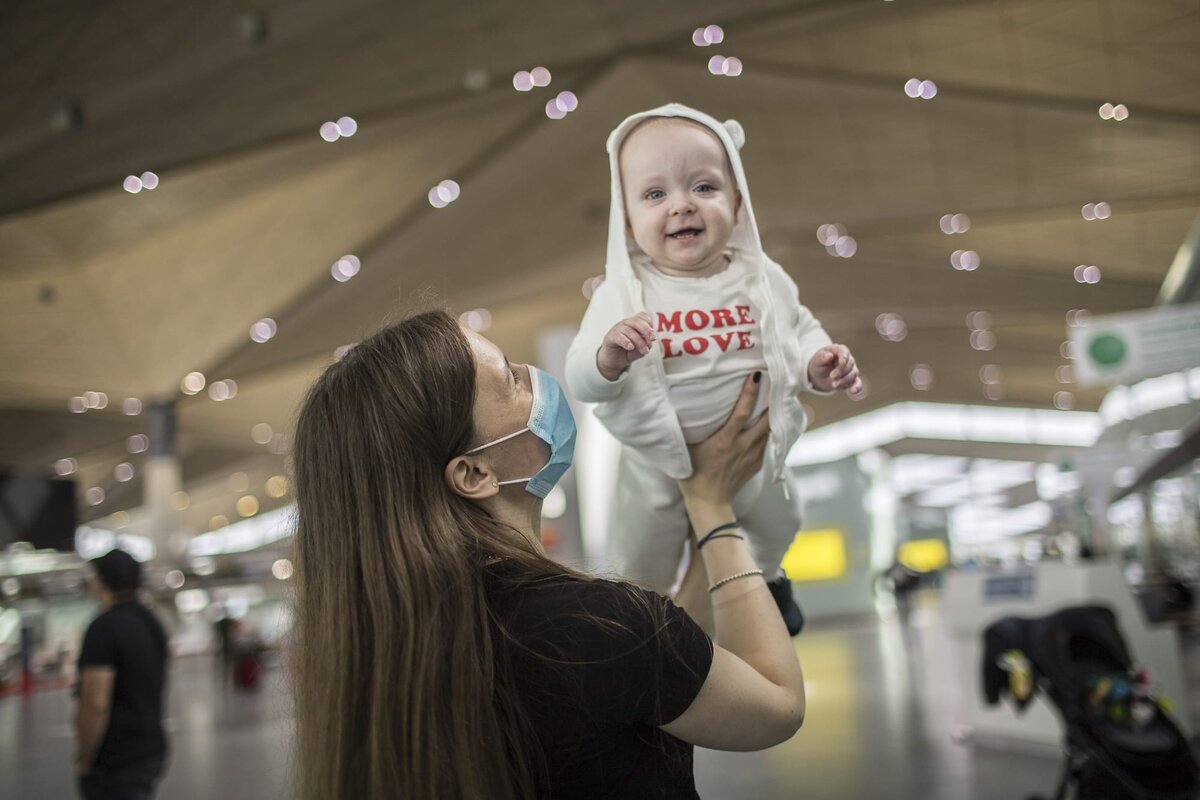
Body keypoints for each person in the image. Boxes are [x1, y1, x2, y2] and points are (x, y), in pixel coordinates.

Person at [291, 309, 805, 799]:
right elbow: (776, 704)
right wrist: (713, 508)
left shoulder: (391, 647)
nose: (535, 379)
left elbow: (662, 665)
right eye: (511, 380)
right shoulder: (594, 625)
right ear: (474, 474)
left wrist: (694, 519)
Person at [564, 103, 863, 635]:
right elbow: (580, 377)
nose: (681, 206)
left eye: (703, 187)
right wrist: (607, 358)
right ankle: (643, 628)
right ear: (627, 218)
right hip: (656, 458)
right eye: (655, 194)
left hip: (750, 447)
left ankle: (768, 582)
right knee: (639, 555)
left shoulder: (763, 279)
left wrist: (819, 364)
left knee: (778, 521)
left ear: (738, 201)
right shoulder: (625, 292)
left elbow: (799, 327)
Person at [75, 549, 169, 800]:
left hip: (116, 758)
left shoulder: (103, 627)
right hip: (151, 748)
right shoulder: (151, 622)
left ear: (102, 581)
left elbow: (96, 704)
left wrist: (84, 758)